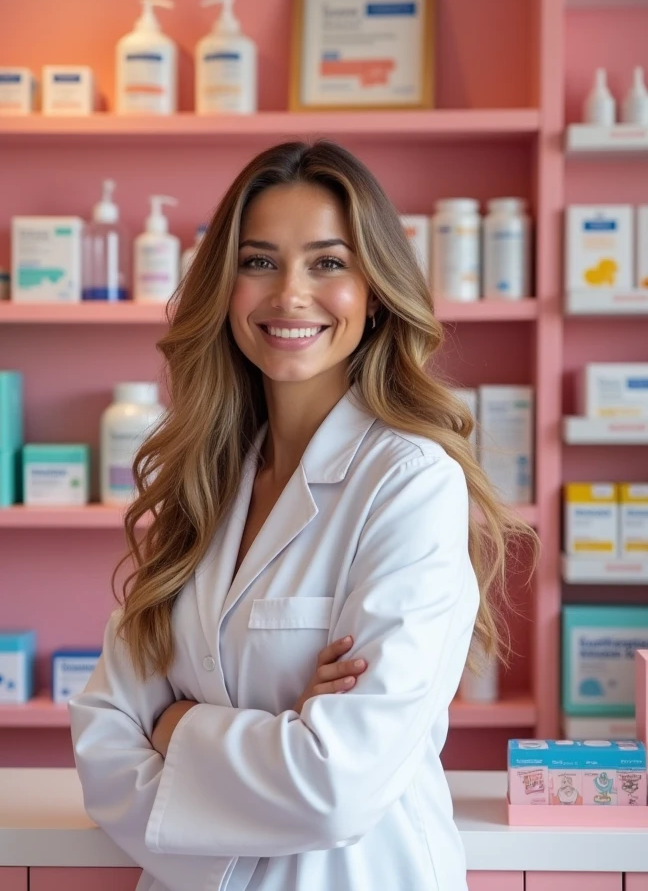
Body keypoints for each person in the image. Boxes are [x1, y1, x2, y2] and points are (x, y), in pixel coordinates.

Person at [69, 140, 535, 891]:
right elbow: (101, 743)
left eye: (328, 263)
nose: (289, 295)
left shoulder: (410, 484)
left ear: (376, 290)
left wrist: (177, 726)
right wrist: (274, 739)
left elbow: (334, 785)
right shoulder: (205, 480)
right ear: (225, 287)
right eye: (258, 262)